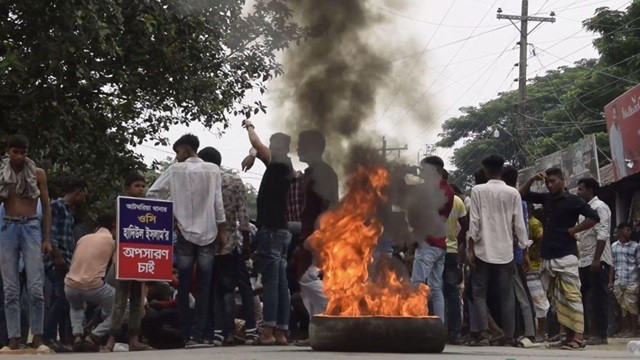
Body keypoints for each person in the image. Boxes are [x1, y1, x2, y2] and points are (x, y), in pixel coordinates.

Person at [147, 134, 226, 348]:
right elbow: (218, 203)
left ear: (187, 149)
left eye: (178, 152)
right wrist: (222, 231)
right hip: (209, 233)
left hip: (183, 233)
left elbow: (152, 193)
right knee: (204, 286)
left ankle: (185, 333)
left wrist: (172, 212)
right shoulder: (213, 170)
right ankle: (200, 334)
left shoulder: (175, 171)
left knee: (183, 285)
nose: (177, 157)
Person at [519, 167, 599, 350]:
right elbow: (521, 194)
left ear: (563, 180)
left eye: (553, 181)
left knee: (572, 297)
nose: (549, 185)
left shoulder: (573, 200)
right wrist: (532, 179)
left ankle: (578, 337)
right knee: (558, 299)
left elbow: (594, 217)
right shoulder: (547, 198)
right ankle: (568, 336)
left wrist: (574, 230)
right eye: (547, 182)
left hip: (566, 255)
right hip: (549, 255)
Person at [197, 147, 257, 346]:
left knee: (215, 289)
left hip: (207, 242)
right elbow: (244, 217)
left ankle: (219, 331)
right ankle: (249, 330)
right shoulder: (234, 181)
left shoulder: (202, 183)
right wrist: (246, 244)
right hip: (232, 243)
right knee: (237, 287)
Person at [241, 119, 293, 345]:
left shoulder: (278, 161)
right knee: (281, 284)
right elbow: (258, 149)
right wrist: (253, 153)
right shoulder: (285, 165)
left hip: (271, 231)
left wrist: (249, 124)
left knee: (272, 283)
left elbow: (255, 142)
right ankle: (281, 332)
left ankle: (268, 332)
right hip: (282, 231)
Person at [466, 155, 528, 347]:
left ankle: (484, 334)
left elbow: (474, 221)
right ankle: (508, 336)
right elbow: (519, 224)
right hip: (505, 251)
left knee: (479, 293)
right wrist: (524, 250)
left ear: (485, 169)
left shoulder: (477, 190)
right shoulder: (513, 193)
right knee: (507, 295)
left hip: (482, 249)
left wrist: (470, 248)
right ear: (501, 169)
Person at [0, 134, 52, 353]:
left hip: (31, 226)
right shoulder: (2, 174)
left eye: (24, 152)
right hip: (7, 227)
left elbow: (46, 206)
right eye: (16, 152)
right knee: (10, 288)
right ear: (8, 151)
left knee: (36, 288)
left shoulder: (37, 174)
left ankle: (37, 337)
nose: (20, 156)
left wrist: (47, 239)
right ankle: (13, 338)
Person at [296, 130, 339, 346]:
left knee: (309, 279)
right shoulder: (310, 172)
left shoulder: (323, 173)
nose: (297, 148)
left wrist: (318, 234)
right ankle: (317, 332)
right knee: (305, 283)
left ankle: (335, 316)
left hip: (319, 235)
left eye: (301, 144)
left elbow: (330, 206)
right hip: (309, 232)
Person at [104, 173, 155, 352]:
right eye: (137, 186)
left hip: (140, 257)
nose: (141, 189)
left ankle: (134, 338)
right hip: (125, 257)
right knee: (120, 300)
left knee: (136, 300)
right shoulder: (122, 206)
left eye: (143, 186)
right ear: (127, 188)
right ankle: (111, 339)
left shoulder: (148, 208)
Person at [43, 178, 88, 350]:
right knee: (62, 298)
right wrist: (57, 256)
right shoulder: (57, 206)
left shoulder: (70, 211)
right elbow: (50, 232)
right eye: (83, 195)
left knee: (59, 299)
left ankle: (57, 339)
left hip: (66, 259)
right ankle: (47, 337)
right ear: (78, 192)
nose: (84, 199)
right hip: (56, 259)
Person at [410, 156, 454, 322]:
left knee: (417, 284)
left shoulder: (431, 189)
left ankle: (415, 320)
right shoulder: (448, 190)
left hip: (428, 244)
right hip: (440, 244)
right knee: (436, 288)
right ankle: (440, 324)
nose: (422, 173)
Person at [64, 213, 117, 352]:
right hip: (93, 287)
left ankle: (77, 335)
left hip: (70, 285)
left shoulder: (83, 238)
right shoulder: (111, 241)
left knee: (76, 307)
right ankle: (94, 335)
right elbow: (116, 267)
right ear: (113, 225)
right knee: (122, 306)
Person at [501, 165, 537, 346]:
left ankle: (527, 332)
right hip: (513, 253)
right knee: (518, 295)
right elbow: (524, 229)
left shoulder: (512, 199)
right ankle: (521, 332)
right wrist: (525, 252)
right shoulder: (516, 199)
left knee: (518, 295)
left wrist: (524, 252)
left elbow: (522, 228)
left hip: (507, 254)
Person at [575, 177, 613, 345]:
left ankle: (601, 334)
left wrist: (596, 259)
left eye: (581, 189)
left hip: (597, 260)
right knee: (585, 298)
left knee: (599, 298)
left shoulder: (600, 207)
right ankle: (588, 332)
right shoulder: (583, 210)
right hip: (584, 260)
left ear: (590, 190)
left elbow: (603, 233)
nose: (578, 192)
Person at [443, 183, 468, 344]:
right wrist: (457, 242)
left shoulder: (428, 198)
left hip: (433, 250)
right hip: (451, 252)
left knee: (432, 291)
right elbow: (465, 225)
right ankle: (455, 333)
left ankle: (439, 330)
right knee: (452, 293)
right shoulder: (457, 200)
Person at [610, 222, 640, 337]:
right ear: (621, 231)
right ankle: (626, 329)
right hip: (619, 280)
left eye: (630, 230)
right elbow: (612, 265)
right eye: (627, 230)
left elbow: (638, 264)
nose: (629, 232)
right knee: (622, 306)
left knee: (631, 305)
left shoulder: (635, 246)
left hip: (632, 280)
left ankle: (634, 330)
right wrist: (610, 281)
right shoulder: (614, 246)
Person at [524, 205, 550, 342]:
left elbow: (541, 237)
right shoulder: (527, 222)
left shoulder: (532, 223)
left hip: (533, 266)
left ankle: (543, 332)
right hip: (530, 266)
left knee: (538, 298)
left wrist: (534, 252)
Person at [609, 105, 628, 179]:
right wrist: (618, 169)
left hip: (627, 159)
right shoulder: (612, 131)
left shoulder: (621, 127)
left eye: (615, 114)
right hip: (620, 163)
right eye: (613, 114)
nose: (615, 117)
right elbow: (613, 155)